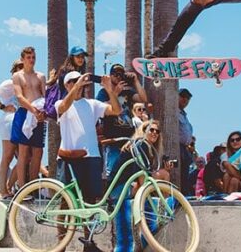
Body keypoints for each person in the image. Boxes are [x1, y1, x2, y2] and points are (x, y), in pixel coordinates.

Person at [56, 71, 122, 251]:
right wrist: (77, 85)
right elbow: (62, 108)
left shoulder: (92, 104)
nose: (77, 84)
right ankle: (59, 246)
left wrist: (110, 91)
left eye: (79, 81)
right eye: (72, 81)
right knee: (65, 202)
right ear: (66, 84)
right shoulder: (61, 103)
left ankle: (89, 243)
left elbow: (116, 110)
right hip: (69, 158)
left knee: (90, 201)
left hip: (92, 157)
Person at [108, 120, 163, 252]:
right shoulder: (141, 145)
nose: (155, 133)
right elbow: (139, 175)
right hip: (120, 188)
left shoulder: (142, 147)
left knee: (147, 207)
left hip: (122, 187)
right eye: (151, 130)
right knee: (145, 207)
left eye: (157, 131)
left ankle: (141, 245)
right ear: (143, 132)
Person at [97, 63, 147, 179]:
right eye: (115, 74)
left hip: (128, 142)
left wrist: (135, 81)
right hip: (113, 142)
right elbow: (102, 108)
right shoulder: (103, 93)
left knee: (130, 175)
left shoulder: (127, 93)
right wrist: (115, 93)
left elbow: (143, 99)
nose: (118, 77)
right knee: (114, 175)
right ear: (110, 76)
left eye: (121, 75)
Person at [11, 47, 47, 191]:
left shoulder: (41, 76)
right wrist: (33, 109)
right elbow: (19, 96)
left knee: (38, 151)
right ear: (22, 59)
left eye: (33, 57)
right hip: (25, 113)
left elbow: (45, 96)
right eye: (28, 57)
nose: (31, 60)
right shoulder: (17, 76)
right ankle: (22, 187)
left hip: (39, 115)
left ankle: (33, 186)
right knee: (23, 152)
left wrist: (43, 112)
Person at [0, 59, 23, 199]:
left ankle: (8, 186)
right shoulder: (10, 83)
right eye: (19, 67)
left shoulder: (25, 83)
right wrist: (2, 106)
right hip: (10, 120)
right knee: (8, 155)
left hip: (19, 121)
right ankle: (3, 190)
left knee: (24, 157)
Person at [177, 88, 195, 195]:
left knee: (184, 176)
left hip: (185, 149)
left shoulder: (184, 114)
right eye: (182, 96)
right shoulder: (173, 111)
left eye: (188, 98)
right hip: (176, 147)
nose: (185, 99)